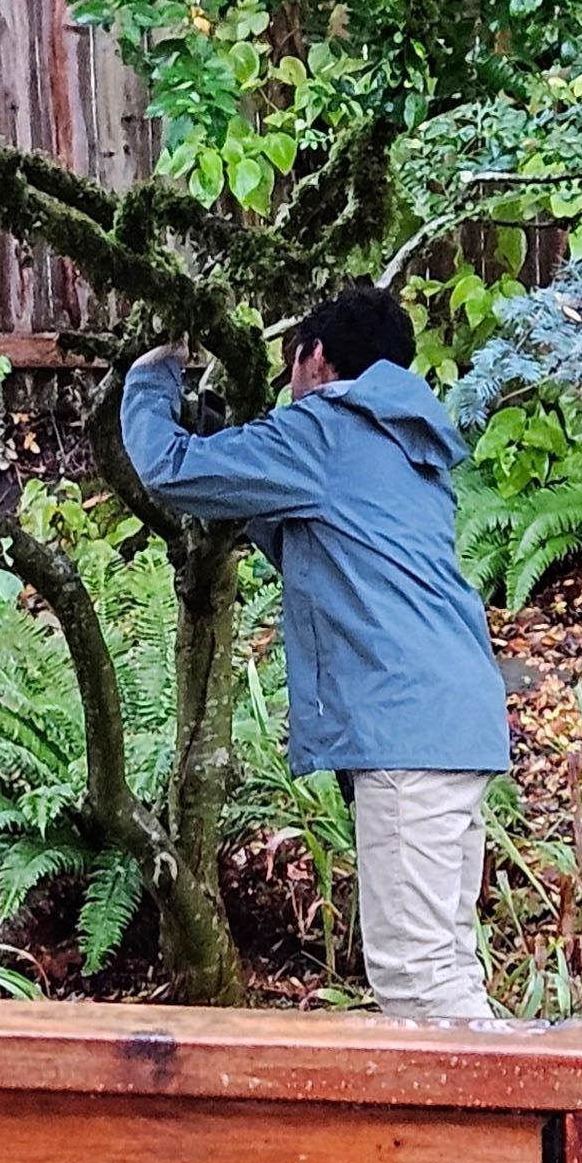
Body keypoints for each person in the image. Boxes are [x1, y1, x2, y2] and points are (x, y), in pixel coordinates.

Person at [121, 282, 508, 1023]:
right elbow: (298, 523)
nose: (286, 388)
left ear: (316, 358)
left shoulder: (324, 430)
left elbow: (170, 469)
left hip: (407, 733)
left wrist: (151, 375)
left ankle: (475, 1137)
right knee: (451, 967)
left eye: (287, 369)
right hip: (460, 721)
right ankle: (505, 1125)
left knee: (416, 981)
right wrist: (217, 435)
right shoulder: (404, 443)